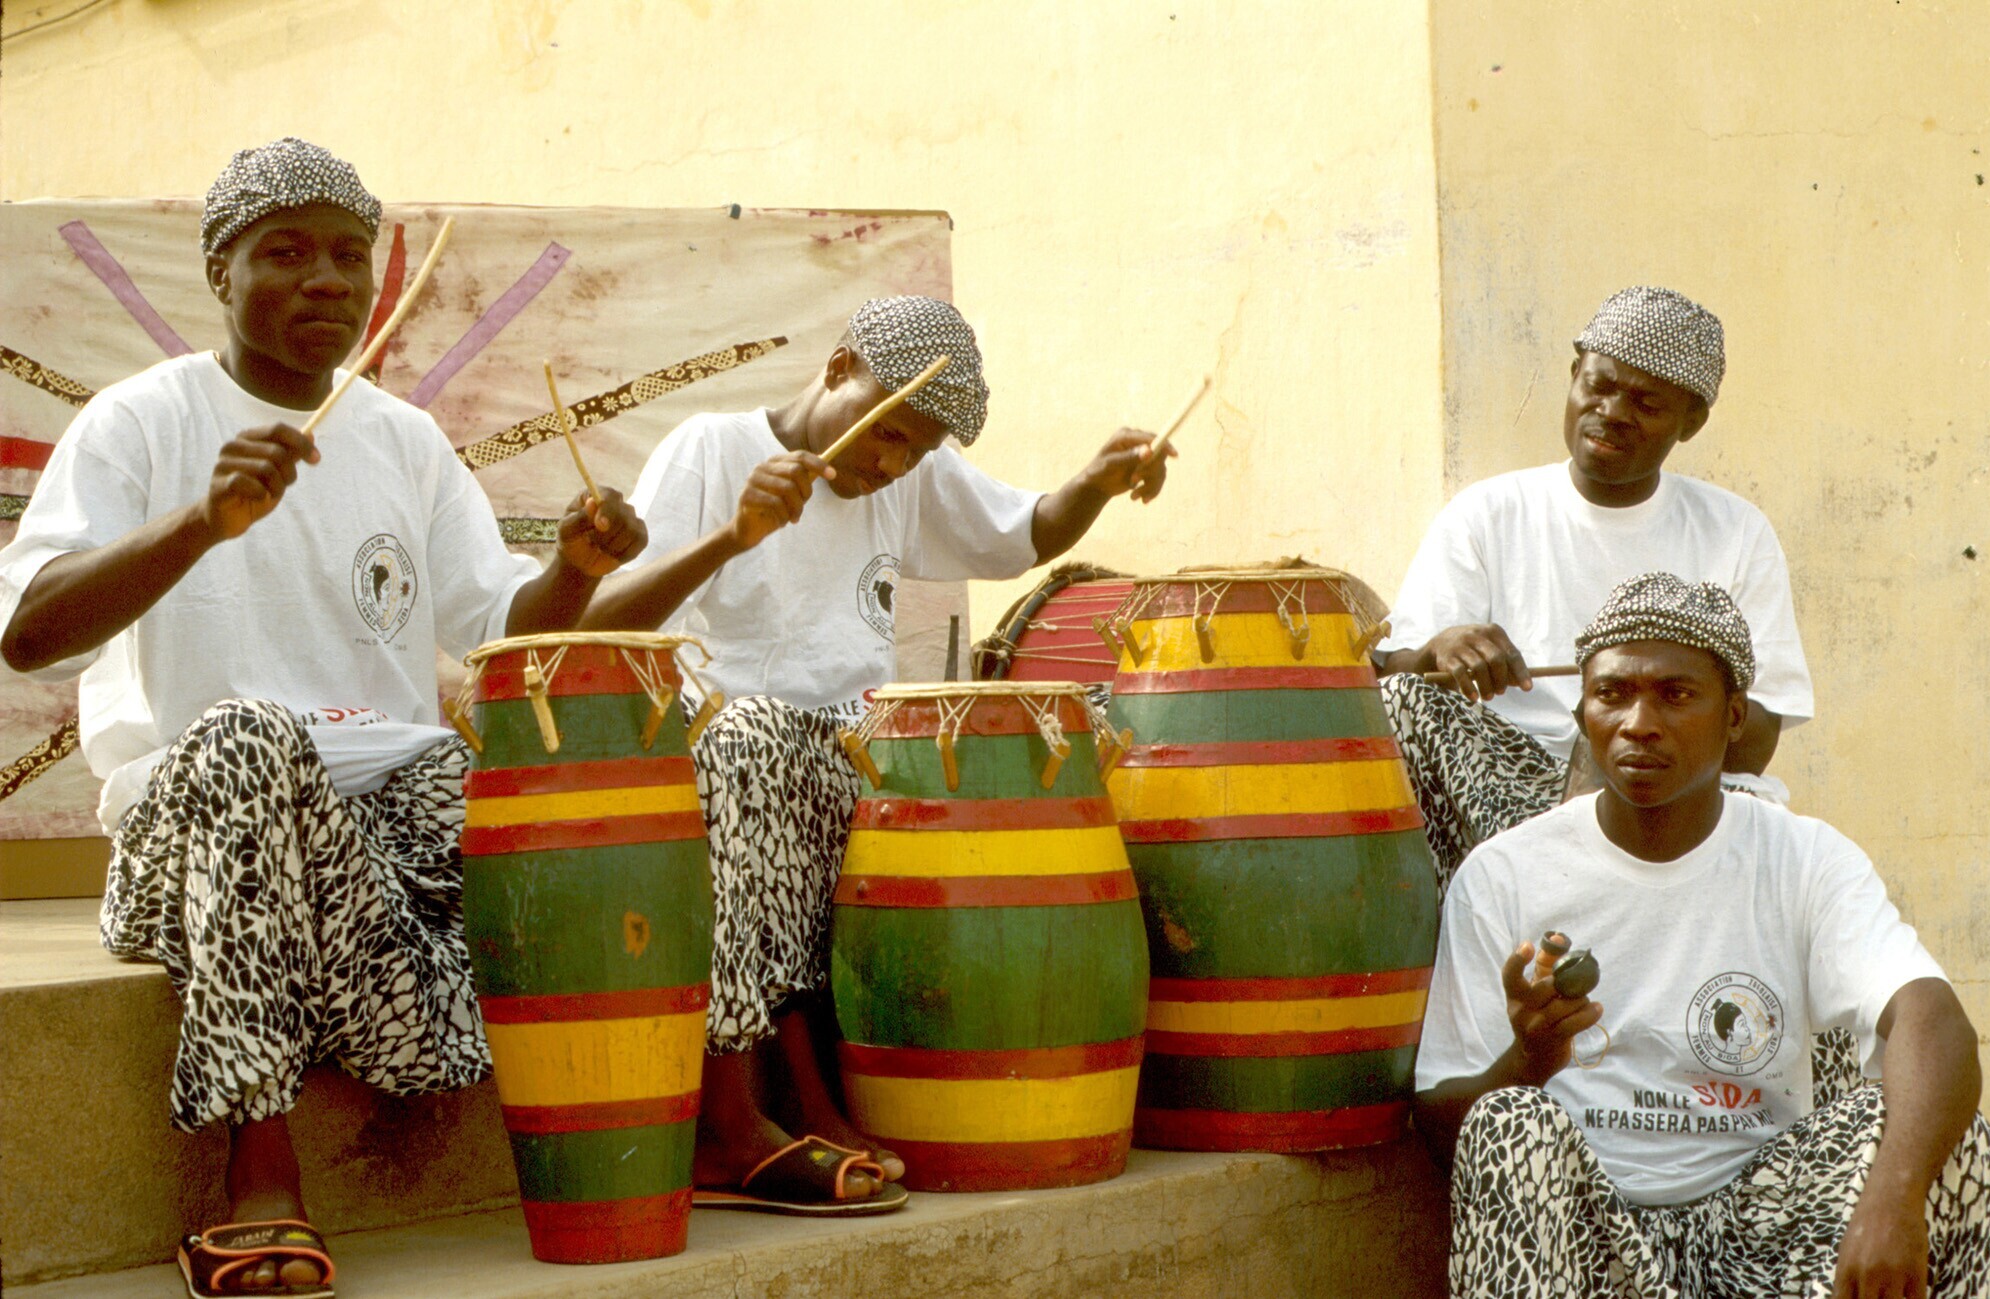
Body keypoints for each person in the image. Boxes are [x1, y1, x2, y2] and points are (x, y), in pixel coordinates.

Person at [0, 139, 645, 1297]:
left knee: (561, 791)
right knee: (249, 733)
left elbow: (502, 631)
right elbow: (32, 633)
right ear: (222, 272)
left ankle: (658, 1134)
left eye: (349, 256)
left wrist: (577, 570)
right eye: (285, 253)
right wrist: (199, 523)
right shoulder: (139, 421)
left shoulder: (402, 438)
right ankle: (258, 1172)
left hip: (380, 842)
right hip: (192, 839)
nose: (327, 281)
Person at [580, 295, 1171, 1214]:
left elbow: (1024, 535)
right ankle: (732, 1118)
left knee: (1051, 731)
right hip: (720, 752)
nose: (890, 463)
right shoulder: (712, 449)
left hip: (851, 750)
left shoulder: (901, 472)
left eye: (916, 451)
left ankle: (925, 1084)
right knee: (753, 739)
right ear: (838, 368)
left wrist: (1095, 480)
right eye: (887, 432)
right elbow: (602, 625)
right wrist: (732, 538)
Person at [1412, 573, 1990, 1299]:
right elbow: (1444, 1128)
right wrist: (1527, 1060)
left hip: (1763, 1220)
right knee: (1509, 1122)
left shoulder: (1803, 858)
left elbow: (1930, 1016)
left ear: (1734, 716)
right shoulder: (1506, 873)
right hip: (1588, 1232)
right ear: (1583, 711)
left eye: (1675, 694)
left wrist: (1893, 1200)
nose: (1638, 723)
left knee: (1943, 1138)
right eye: (1612, 694)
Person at [1375, 287, 1815, 898]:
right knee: (1402, 698)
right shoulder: (1487, 513)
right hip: (1509, 796)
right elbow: (1398, 678)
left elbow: (1757, 728)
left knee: (1748, 828)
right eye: (1599, 385)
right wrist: (1438, 651)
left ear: (1690, 422)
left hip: (1666, 787)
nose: (1611, 412)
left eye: (1646, 403)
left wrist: (1644, 728)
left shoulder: (1735, 530)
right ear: (1573, 375)